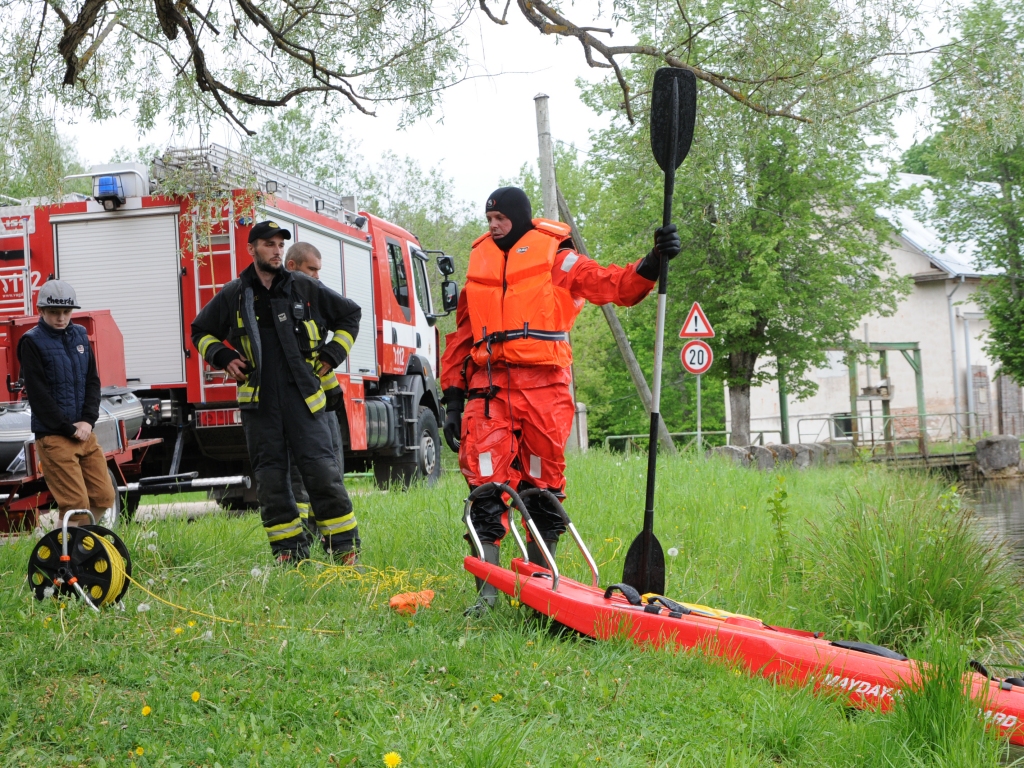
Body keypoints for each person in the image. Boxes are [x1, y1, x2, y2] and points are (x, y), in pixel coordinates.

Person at [440, 187, 681, 613]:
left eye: (499, 218)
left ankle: (539, 590)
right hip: (489, 388)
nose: (491, 225)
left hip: (544, 390)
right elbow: (461, 336)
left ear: (518, 217)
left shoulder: (556, 257)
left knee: (542, 487)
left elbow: (612, 285)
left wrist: (650, 263)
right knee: (485, 487)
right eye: (488, 218)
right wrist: (453, 396)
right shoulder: (481, 261)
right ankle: (487, 596)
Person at [192, 221, 361, 564]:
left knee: (322, 473)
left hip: (304, 400)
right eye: (268, 244)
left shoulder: (303, 286)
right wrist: (222, 356)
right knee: (270, 480)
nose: (276, 251)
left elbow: (350, 315)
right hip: (260, 404)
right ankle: (289, 554)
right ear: (251, 249)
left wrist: (333, 354)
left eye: (280, 245)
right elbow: (201, 331)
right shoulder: (234, 294)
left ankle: (344, 549)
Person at [18, 280, 115, 526]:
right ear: (41, 311)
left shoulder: (80, 335)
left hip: (83, 432)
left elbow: (92, 381)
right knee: (75, 505)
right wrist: (68, 428)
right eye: (54, 312)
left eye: (66, 312)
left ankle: (83, 546)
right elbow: (38, 396)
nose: (61, 318)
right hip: (54, 436)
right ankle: (65, 558)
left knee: (104, 496)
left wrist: (87, 421)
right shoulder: (32, 342)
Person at [283, 241, 353, 544]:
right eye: (311, 269)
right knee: (301, 477)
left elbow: (350, 317)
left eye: (318, 270)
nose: (316, 276)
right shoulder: (280, 305)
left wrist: (332, 354)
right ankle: (304, 539)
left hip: (324, 401)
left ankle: (328, 535)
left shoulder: (317, 298)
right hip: (298, 405)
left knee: (331, 472)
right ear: (292, 266)